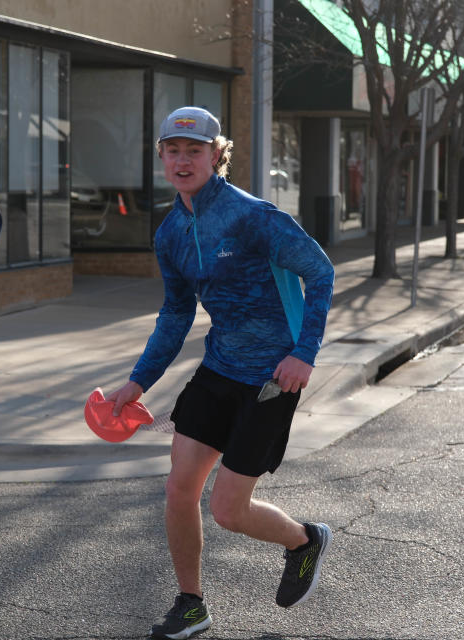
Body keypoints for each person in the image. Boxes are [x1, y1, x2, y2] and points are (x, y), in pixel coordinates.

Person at [105, 107, 336, 640]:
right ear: (162, 156)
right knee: (179, 489)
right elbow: (176, 314)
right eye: (174, 150)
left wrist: (305, 352)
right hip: (218, 368)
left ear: (216, 155)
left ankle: (304, 540)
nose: (183, 160)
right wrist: (139, 380)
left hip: (272, 378)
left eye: (195, 150)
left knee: (229, 510)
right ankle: (191, 604)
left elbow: (320, 272)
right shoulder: (170, 234)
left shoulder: (253, 216)